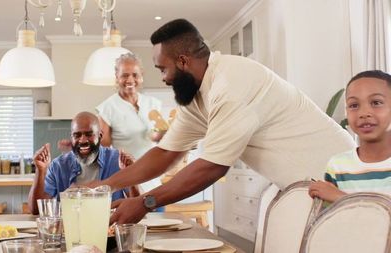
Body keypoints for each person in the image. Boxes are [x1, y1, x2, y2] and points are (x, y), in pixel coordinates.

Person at [83, 18, 356, 225]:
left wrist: (146, 202)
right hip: (305, 187)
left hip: (343, 179)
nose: (163, 78)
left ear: (183, 61)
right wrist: (107, 185)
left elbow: (212, 167)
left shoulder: (232, 84)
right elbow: (166, 152)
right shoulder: (197, 96)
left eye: (163, 69)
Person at [27, 111, 138, 215]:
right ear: (72, 137)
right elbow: (36, 210)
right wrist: (40, 170)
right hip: (70, 228)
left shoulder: (117, 161)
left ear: (100, 136)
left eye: (89, 134)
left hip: (108, 228)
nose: (83, 140)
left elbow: (136, 205)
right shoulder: (58, 166)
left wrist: (132, 175)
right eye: (77, 135)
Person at [309, 70, 391, 202]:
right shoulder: (337, 166)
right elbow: (332, 218)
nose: (364, 113)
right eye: (354, 105)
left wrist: (342, 198)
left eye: (376, 102)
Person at [96, 53, 165, 194]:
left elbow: (160, 138)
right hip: (125, 181)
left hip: (153, 179)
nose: (130, 80)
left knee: (157, 215)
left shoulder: (154, 104)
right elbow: (103, 151)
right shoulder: (107, 108)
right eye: (124, 75)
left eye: (135, 75)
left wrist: (164, 134)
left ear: (141, 76)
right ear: (117, 78)